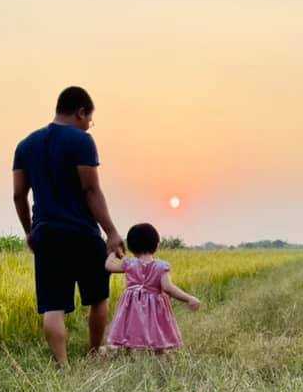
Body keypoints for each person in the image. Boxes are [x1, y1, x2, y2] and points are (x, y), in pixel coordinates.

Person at [12, 86, 124, 366]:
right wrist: (111, 231)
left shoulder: (25, 145)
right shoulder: (81, 141)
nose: (88, 126)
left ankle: (62, 364)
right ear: (81, 112)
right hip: (82, 233)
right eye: (89, 120)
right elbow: (91, 190)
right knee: (98, 297)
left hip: (46, 234)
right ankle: (94, 350)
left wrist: (30, 231)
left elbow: (18, 194)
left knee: (53, 304)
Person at [105, 223, 200, 352]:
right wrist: (188, 298)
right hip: (155, 306)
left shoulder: (129, 263)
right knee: (156, 327)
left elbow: (109, 266)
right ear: (156, 245)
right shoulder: (161, 266)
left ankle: (129, 353)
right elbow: (168, 287)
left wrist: (114, 252)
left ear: (131, 247)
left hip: (132, 305)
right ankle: (159, 352)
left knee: (130, 326)